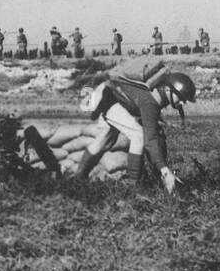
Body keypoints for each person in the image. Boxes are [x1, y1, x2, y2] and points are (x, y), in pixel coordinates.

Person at [76, 63, 196, 193]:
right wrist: (165, 170)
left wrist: (161, 168)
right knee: (138, 136)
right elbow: (151, 138)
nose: (183, 102)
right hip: (106, 96)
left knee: (106, 139)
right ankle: (134, 188)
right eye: (181, 97)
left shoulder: (157, 93)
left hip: (108, 92)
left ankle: (78, 179)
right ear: (168, 90)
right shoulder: (150, 101)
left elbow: (156, 135)